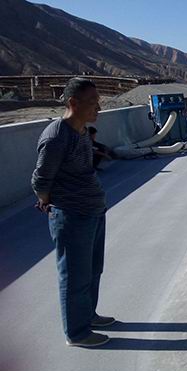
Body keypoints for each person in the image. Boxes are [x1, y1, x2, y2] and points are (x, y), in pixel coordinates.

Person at [31, 77, 116, 348]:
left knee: (92, 270)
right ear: (73, 103)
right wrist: (48, 201)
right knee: (75, 275)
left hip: (93, 211)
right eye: (93, 102)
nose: (98, 108)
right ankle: (77, 333)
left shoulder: (81, 132)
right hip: (72, 215)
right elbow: (41, 178)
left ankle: (88, 315)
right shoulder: (57, 136)